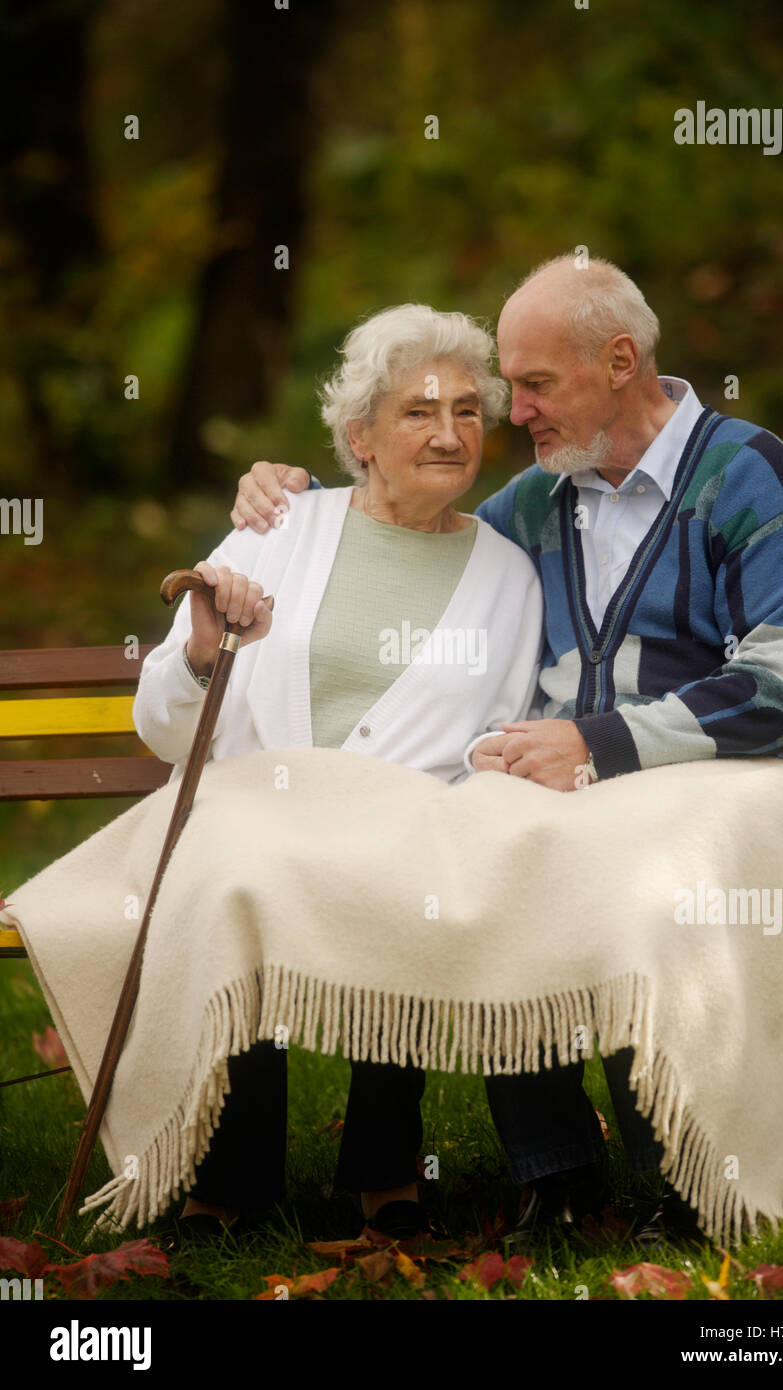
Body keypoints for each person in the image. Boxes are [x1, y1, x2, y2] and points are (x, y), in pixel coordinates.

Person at [229, 255, 783, 1244]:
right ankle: (555, 1175)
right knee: (485, 848)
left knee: (656, 874)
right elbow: (401, 535)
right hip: (571, 791)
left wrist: (596, 743)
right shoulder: (532, 505)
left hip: (741, 783)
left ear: (619, 361)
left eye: (532, 384)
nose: (510, 411)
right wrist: (294, 498)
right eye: (508, 389)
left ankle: (684, 1178)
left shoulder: (751, 476)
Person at [133, 303, 544, 1242]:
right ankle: (227, 1180)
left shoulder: (508, 575)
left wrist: (467, 790)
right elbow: (161, 727)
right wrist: (202, 653)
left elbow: (499, 736)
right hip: (250, 827)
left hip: (404, 840)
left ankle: (384, 1173)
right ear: (359, 435)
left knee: (406, 880)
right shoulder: (276, 529)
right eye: (418, 411)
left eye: (469, 412)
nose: (449, 433)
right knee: (235, 883)